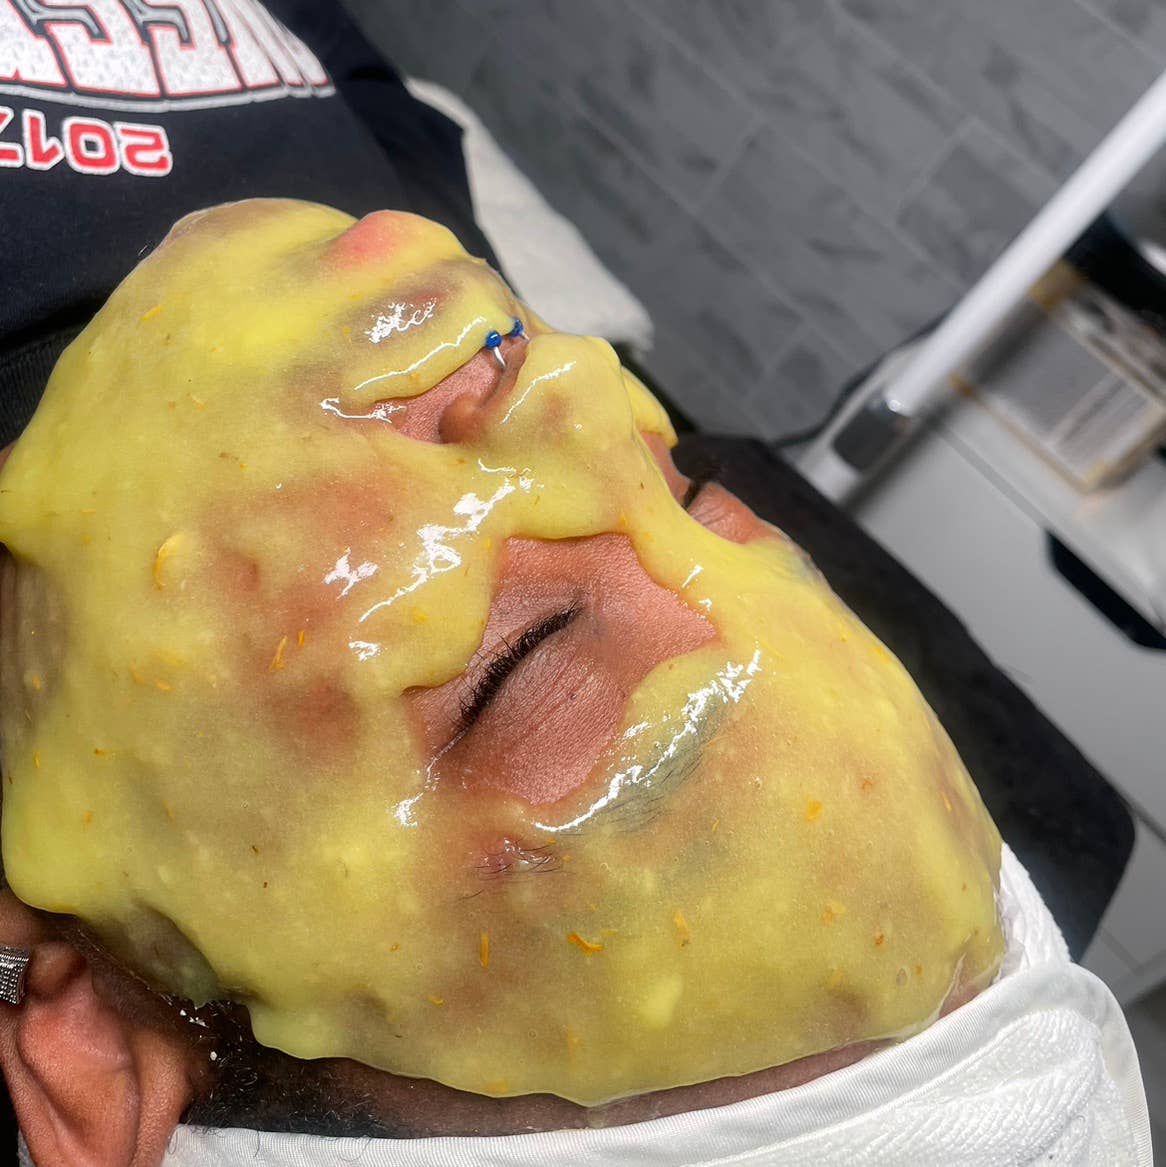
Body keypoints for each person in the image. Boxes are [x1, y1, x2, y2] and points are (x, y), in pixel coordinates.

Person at [0, 3, 1151, 1164]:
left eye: (519, 658)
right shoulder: (406, 278)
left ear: (91, 1043)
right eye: (693, 501)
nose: (570, 382)